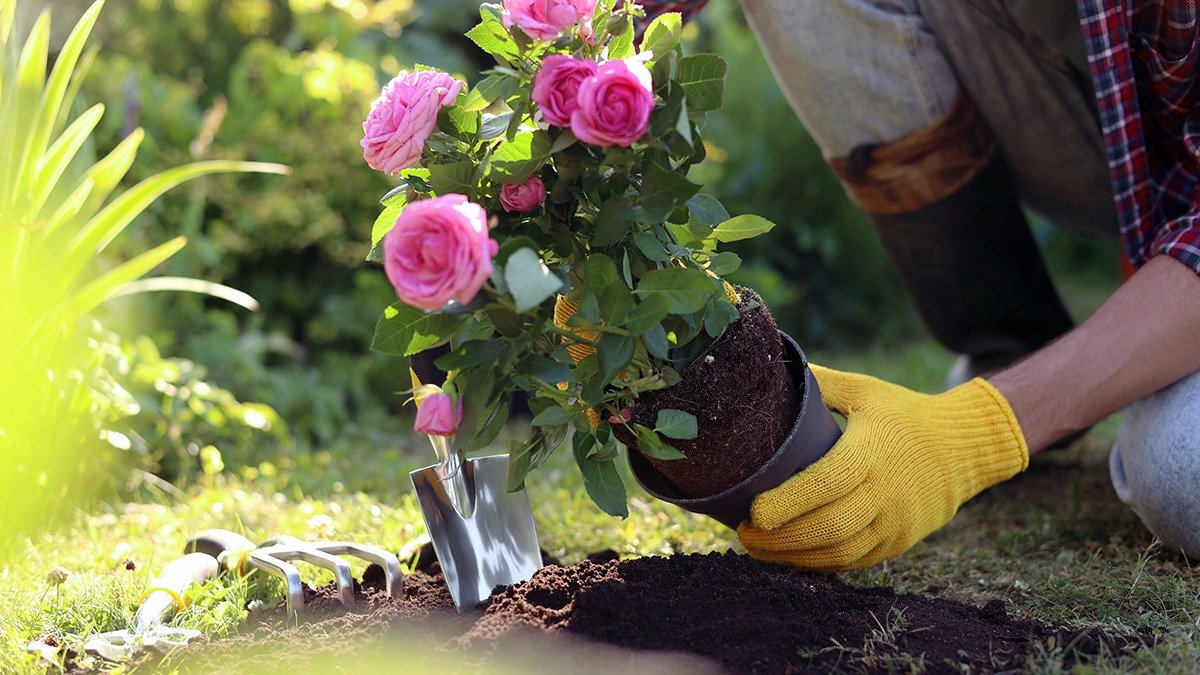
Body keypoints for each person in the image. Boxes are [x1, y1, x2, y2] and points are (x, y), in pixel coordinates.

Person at [638, 0, 1200, 569]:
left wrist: (976, 434)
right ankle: (1008, 344)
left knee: (1184, 474)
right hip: (1132, 125)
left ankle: (1058, 389)